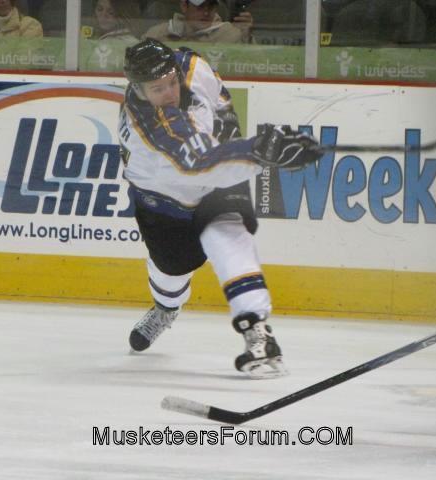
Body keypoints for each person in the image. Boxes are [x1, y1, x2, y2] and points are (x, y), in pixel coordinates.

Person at [118, 38, 321, 378]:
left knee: (228, 238)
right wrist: (259, 153)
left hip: (220, 176)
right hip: (165, 196)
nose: (170, 92)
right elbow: (201, 161)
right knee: (171, 269)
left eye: (171, 82)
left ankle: (257, 330)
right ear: (138, 90)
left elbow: (221, 107)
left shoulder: (191, 66)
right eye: (158, 89)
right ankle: (166, 308)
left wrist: (255, 147)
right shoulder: (149, 128)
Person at [144, 0, 252, 44]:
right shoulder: (157, 34)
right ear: (184, 6)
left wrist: (247, 36)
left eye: (211, 6)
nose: (206, 13)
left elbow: (256, 64)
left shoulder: (232, 34)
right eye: (200, 7)